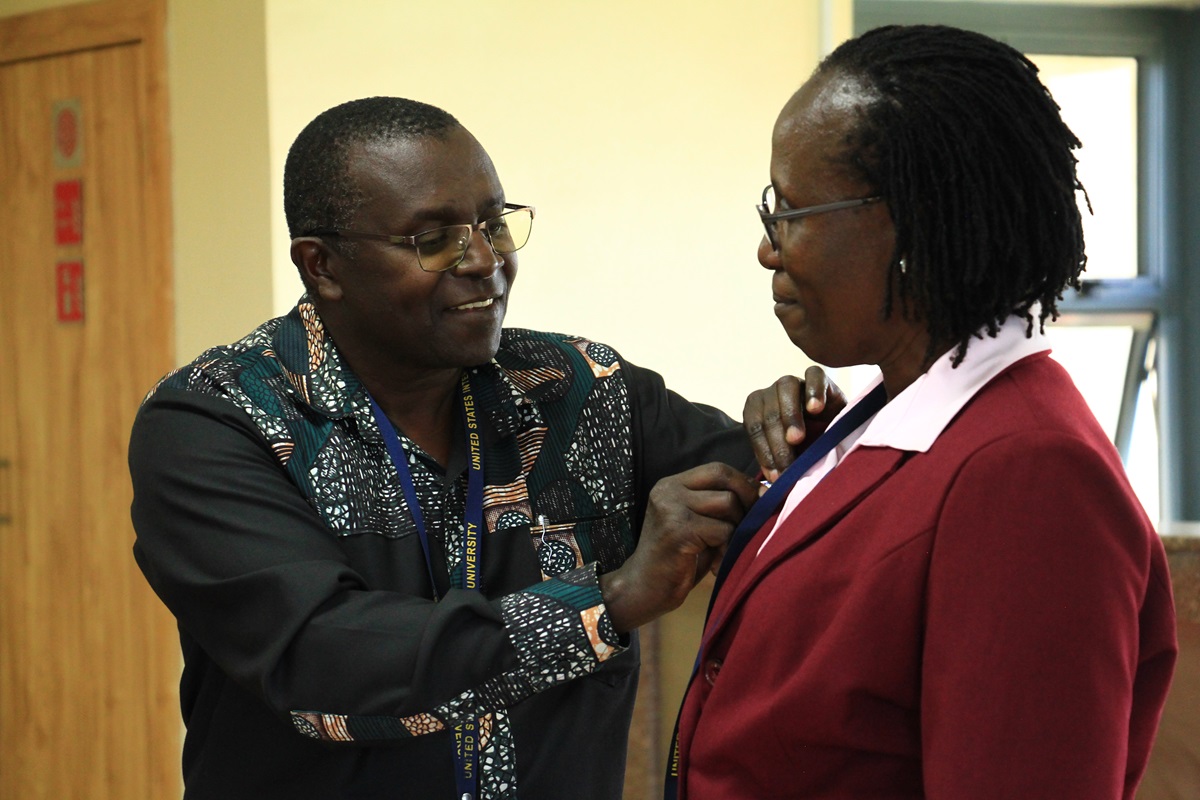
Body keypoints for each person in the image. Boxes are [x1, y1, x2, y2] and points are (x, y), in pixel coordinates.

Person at [128, 96, 833, 800]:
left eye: (495, 224)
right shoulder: (219, 420)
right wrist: (609, 600)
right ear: (324, 267)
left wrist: (805, 424)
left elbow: (801, 494)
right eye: (434, 240)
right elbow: (321, 653)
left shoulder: (582, 390)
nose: (486, 261)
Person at [669, 24, 1178, 800]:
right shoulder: (887, 414)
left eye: (793, 211)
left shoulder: (1032, 475)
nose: (770, 249)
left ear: (909, 223)